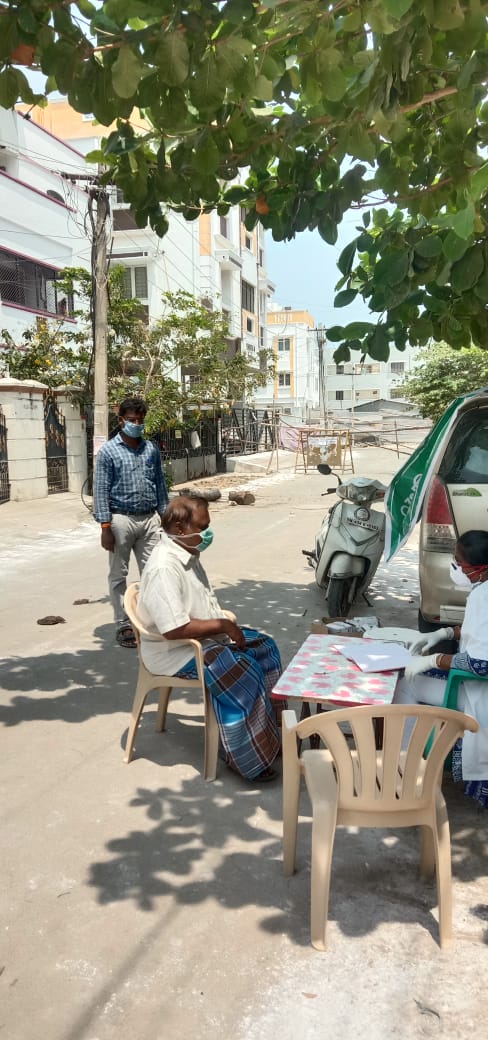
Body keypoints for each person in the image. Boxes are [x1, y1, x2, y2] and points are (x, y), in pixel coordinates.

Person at [137, 495, 282, 782]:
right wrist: (223, 626)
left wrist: (222, 626)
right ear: (180, 529)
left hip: (203, 639)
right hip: (175, 651)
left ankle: (269, 736)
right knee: (243, 671)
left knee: (265, 648)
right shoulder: (164, 567)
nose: (207, 534)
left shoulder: (186, 551)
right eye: (202, 527)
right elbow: (173, 630)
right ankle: (245, 757)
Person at [394, 530, 488, 808]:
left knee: (405, 683)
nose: (455, 567)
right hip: (474, 683)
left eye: (460, 563)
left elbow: (481, 664)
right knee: (414, 673)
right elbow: (479, 633)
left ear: (481, 569)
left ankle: (405, 770)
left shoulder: (483, 597)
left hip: (477, 691)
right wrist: (446, 634)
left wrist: (434, 661)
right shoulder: (483, 590)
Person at [93, 396, 169, 648]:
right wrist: (105, 526)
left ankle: (150, 619)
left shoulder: (150, 449)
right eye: (131, 420)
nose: (136, 424)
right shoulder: (108, 452)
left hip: (149, 519)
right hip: (120, 519)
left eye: (139, 420)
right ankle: (123, 623)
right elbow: (101, 490)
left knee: (154, 571)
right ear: (121, 419)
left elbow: (159, 485)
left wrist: (166, 517)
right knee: (118, 574)